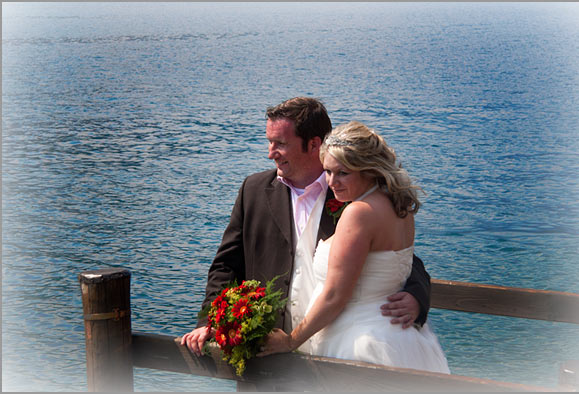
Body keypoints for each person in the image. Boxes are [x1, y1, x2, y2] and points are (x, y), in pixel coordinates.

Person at [180, 98, 432, 358]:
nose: (270, 152)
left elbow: (399, 257)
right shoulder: (253, 190)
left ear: (314, 144)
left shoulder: (354, 196)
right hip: (267, 352)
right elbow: (226, 265)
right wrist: (209, 323)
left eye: (280, 144)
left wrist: (417, 296)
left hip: (334, 346)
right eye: (269, 141)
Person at [257, 121, 449, 373]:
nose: (332, 182)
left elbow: (336, 295)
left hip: (358, 342)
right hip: (402, 340)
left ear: (368, 169)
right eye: (328, 171)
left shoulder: (358, 213)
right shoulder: (398, 206)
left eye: (343, 173)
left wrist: (292, 340)